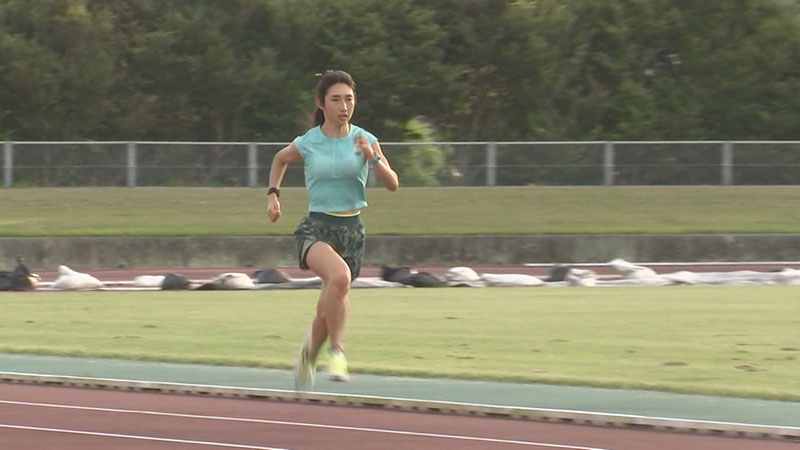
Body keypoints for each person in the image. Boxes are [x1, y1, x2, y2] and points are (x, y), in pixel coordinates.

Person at [267, 70, 399, 390]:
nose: (344, 106)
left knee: (329, 306)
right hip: (316, 228)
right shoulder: (309, 141)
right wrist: (273, 194)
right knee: (338, 278)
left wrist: (374, 158)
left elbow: (392, 184)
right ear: (321, 103)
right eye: (336, 99)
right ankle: (338, 353)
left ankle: (308, 355)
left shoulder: (366, 139)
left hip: (352, 231)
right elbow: (280, 159)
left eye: (349, 99)